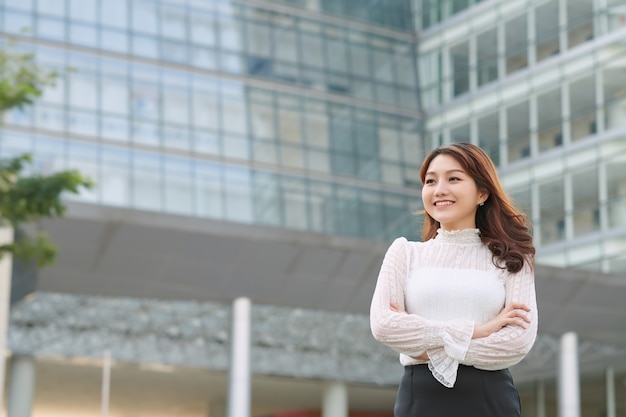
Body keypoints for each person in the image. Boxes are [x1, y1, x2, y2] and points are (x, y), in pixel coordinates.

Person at [370, 142, 537, 417]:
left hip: (490, 400)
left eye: (454, 179)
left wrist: (426, 348)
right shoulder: (405, 253)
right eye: (430, 181)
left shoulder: (512, 258)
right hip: (420, 401)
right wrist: (475, 330)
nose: (439, 190)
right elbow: (384, 326)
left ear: (482, 192)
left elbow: (515, 343)